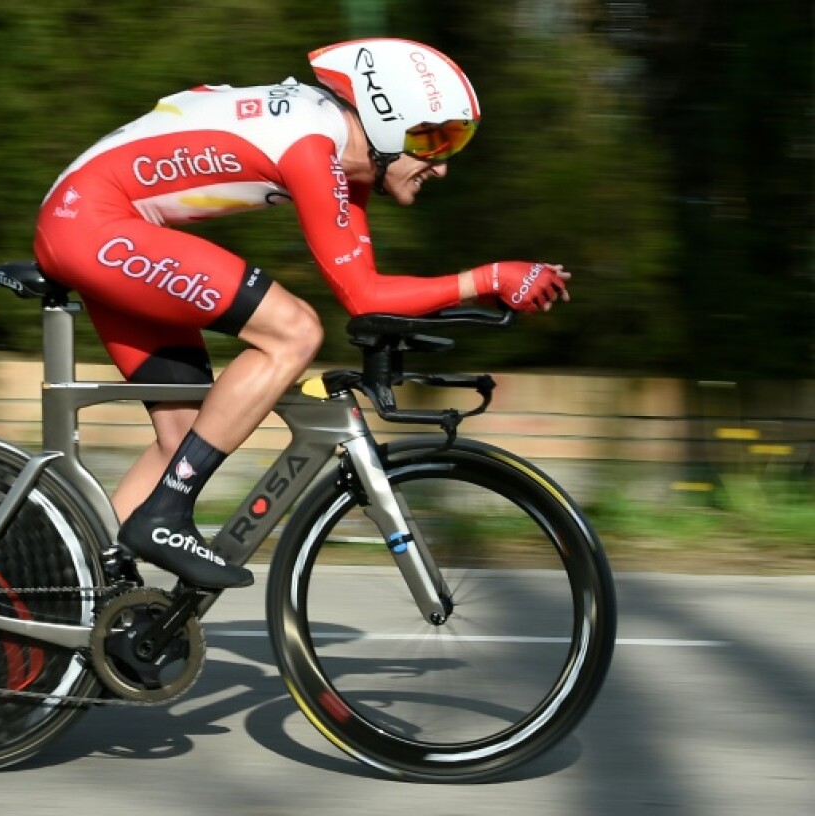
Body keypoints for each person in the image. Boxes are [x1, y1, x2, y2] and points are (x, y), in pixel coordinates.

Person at [33, 38, 570, 590]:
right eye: (434, 139)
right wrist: (490, 279)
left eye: (455, 141)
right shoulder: (313, 146)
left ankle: (73, 597)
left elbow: (369, 290)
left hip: (93, 223)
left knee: (186, 434)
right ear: (384, 119)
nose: (442, 166)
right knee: (293, 331)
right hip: (92, 225)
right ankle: (165, 515)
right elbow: (365, 298)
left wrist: (474, 292)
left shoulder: (342, 155)